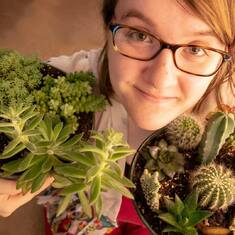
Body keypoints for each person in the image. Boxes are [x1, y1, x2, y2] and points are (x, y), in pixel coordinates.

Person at [0, 0, 234, 234]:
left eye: (196, 49)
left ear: (228, 53)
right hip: (82, 209)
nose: (160, 81)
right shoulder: (68, 84)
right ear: (109, 24)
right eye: (140, 35)